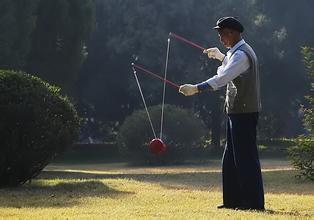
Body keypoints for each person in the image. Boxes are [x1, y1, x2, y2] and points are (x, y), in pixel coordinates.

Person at [179, 16, 265, 210]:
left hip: (244, 112)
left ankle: (253, 203)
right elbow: (230, 64)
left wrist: (196, 88)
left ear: (233, 33)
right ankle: (233, 201)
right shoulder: (236, 53)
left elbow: (223, 78)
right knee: (231, 158)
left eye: (222, 34)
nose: (220, 39)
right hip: (236, 112)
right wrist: (220, 56)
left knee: (246, 158)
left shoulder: (242, 55)